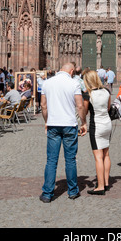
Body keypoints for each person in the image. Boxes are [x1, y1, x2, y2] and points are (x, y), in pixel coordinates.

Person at [40, 62, 87, 202]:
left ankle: (48, 193)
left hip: (53, 125)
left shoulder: (47, 83)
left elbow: (43, 105)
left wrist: (46, 121)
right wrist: (83, 122)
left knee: (51, 160)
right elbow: (80, 105)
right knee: (70, 160)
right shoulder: (74, 83)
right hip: (69, 125)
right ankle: (72, 191)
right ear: (72, 71)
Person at [83, 70, 112, 195]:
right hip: (107, 124)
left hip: (97, 126)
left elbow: (84, 112)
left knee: (98, 157)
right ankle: (105, 182)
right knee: (106, 154)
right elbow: (108, 108)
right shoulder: (107, 91)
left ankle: (100, 186)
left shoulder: (88, 94)